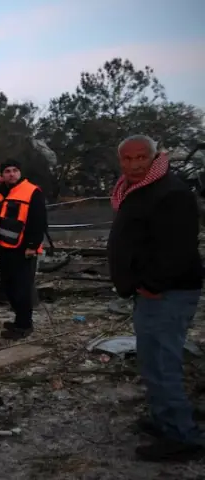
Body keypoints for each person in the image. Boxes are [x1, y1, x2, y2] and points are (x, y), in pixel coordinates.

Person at [107, 135, 204, 462]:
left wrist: (151, 284)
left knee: (163, 364)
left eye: (140, 158)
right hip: (153, 292)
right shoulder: (138, 189)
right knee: (152, 361)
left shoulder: (171, 193)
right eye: (127, 159)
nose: (133, 164)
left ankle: (181, 436)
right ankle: (166, 420)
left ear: (154, 157)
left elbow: (178, 249)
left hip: (167, 293)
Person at [0, 159, 47, 340]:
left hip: (23, 250)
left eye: (14, 170)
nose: (11, 174)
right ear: (2, 174)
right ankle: (18, 320)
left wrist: (32, 246)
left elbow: (39, 221)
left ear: (19, 173)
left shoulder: (32, 192)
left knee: (22, 289)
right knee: (9, 287)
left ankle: (24, 325)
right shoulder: (1, 194)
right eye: (7, 171)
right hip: (5, 249)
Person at [0, 164, 40, 307]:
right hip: (7, 244)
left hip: (22, 244)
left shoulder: (24, 191)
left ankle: (28, 308)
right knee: (12, 278)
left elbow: (36, 220)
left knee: (24, 281)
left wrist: (32, 244)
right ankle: (12, 301)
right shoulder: (0, 194)